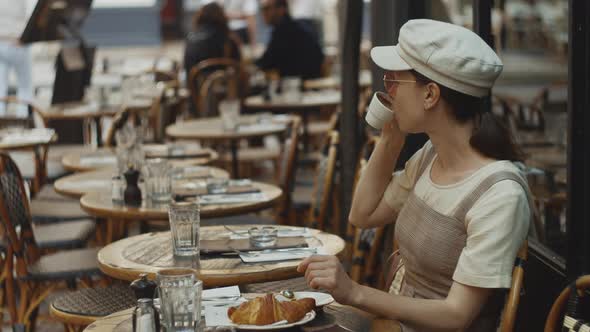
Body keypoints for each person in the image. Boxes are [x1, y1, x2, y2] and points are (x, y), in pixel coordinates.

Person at [298, 19, 533, 331]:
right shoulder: (430, 156)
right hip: (396, 323)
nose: (386, 90)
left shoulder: (500, 194)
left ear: (430, 95)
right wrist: (390, 138)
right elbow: (362, 215)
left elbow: (456, 315)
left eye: (395, 81)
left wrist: (353, 292)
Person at [184, 2, 241, 115]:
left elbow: (187, 71)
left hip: (196, 101)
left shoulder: (191, 39)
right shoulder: (229, 40)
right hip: (226, 101)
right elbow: (238, 69)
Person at [256, 0, 324, 79]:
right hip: (303, 81)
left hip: (300, 85)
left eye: (266, 8)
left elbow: (266, 63)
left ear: (281, 9)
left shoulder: (284, 32)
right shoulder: (293, 27)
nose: (263, 13)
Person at [0, 0, 33, 115]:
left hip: (2, 41)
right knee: (25, 88)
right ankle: (24, 124)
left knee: (0, 88)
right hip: (18, 41)